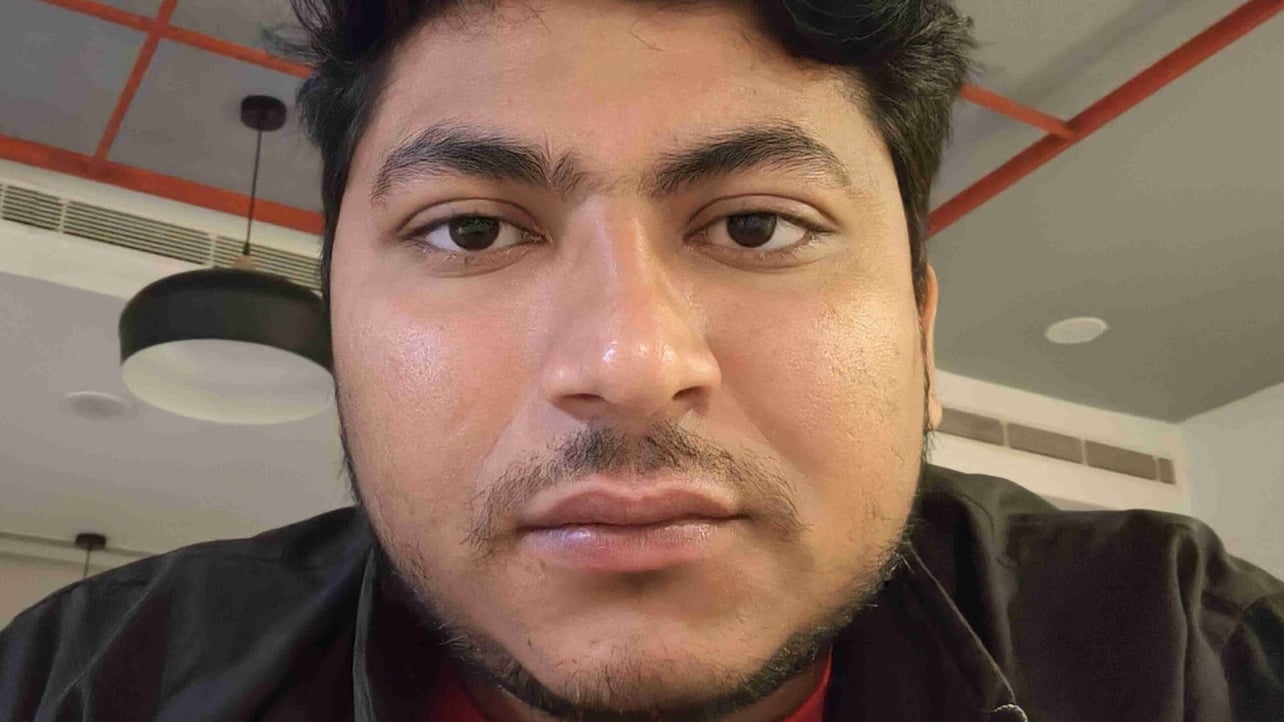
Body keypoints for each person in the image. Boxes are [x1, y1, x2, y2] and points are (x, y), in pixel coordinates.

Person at [2, 0, 1281, 720]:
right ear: (340, 330)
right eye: (470, 229)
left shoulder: (1195, 657)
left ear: (923, 334)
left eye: (758, 224)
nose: (627, 360)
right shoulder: (80, 682)